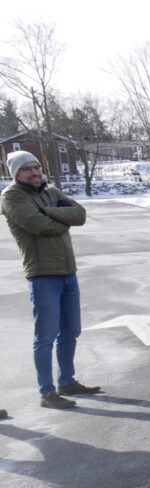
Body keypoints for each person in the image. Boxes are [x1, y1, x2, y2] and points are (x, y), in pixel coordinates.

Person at [1, 150, 101, 409]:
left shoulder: (50, 191)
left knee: (71, 331)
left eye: (36, 167)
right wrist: (58, 217)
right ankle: (47, 393)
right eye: (27, 169)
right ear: (16, 173)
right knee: (45, 336)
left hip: (69, 273)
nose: (34, 173)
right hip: (43, 275)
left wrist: (48, 210)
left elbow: (79, 214)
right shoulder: (11, 196)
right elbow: (40, 226)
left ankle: (67, 381)